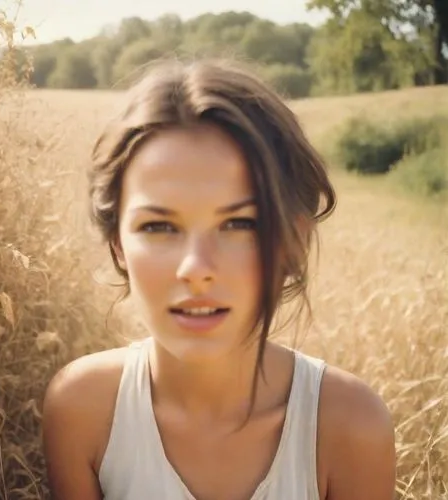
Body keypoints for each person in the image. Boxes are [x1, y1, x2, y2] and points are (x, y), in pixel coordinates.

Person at [42, 59, 396, 500]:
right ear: (117, 243)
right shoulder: (82, 411)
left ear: (294, 241)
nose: (195, 267)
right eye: (158, 226)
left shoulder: (350, 426)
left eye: (240, 224)